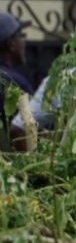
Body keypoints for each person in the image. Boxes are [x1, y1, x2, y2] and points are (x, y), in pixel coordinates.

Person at [0, 13, 31, 151]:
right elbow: (32, 130)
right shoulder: (15, 82)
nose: (24, 41)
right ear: (11, 44)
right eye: (21, 35)